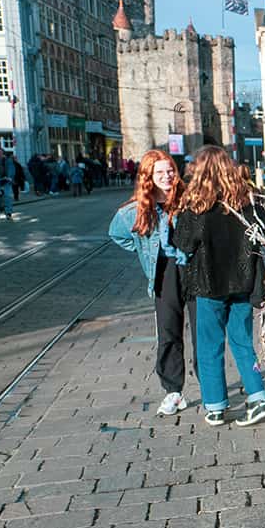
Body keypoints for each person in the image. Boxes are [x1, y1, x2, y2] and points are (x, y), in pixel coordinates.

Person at [174, 145, 265, 427]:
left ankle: (215, 406)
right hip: (243, 282)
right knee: (243, 343)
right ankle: (258, 397)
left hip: (209, 285)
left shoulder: (196, 207)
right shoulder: (246, 201)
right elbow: (262, 231)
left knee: (209, 346)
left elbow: (183, 244)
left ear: (200, 171)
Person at [108, 150, 197, 416]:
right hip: (164, 274)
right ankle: (173, 391)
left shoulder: (188, 199)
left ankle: (212, 390)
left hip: (193, 271)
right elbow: (117, 233)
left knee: (202, 333)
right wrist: (143, 250)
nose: (167, 176)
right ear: (148, 176)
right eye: (159, 172)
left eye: (170, 170)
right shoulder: (139, 208)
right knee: (169, 334)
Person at [0, 149, 16, 220]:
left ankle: (8, 213)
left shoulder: (8, 161)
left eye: (0, 153)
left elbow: (11, 169)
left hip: (6, 180)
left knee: (8, 196)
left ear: (3, 153)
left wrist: (10, 177)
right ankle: (0, 206)